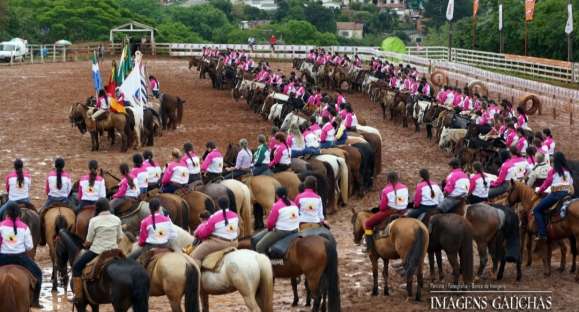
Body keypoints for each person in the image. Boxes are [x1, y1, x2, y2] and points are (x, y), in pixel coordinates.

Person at [71, 198, 122, 304]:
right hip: (114, 251)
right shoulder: (117, 219)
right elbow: (120, 238)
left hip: (97, 251)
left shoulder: (94, 221)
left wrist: (85, 245)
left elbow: (89, 241)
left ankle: (78, 296)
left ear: (97, 209)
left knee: (76, 267)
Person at [0, 202, 43, 308]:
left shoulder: (0, 226)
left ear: (6, 214)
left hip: (2, 258)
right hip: (20, 258)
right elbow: (29, 246)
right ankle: (35, 301)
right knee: (38, 274)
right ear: (19, 214)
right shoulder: (25, 227)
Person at [363, 172, 408, 251]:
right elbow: (405, 199)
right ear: (398, 178)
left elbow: (383, 207)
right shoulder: (405, 187)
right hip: (403, 211)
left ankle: (369, 246)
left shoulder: (385, 190)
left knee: (368, 223)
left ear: (388, 180)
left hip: (390, 211)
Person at [534, 152, 574, 240]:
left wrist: (539, 191)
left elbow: (546, 183)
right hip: (567, 195)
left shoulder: (553, 171)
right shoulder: (568, 170)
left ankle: (542, 233)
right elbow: (571, 183)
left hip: (556, 195)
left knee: (537, 210)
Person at [191, 198, 239, 263]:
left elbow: (203, 233)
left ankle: (198, 272)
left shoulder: (214, 217)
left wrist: (196, 233)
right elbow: (233, 230)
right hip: (234, 243)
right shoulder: (235, 215)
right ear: (228, 205)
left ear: (218, 206)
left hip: (218, 244)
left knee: (194, 257)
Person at [256, 187, 300, 254]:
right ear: (287, 194)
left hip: (282, 232)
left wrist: (270, 229)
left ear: (276, 195)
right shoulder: (294, 204)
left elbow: (270, 223)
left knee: (259, 246)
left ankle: (268, 263)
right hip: (295, 230)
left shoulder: (276, 206)